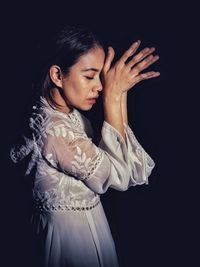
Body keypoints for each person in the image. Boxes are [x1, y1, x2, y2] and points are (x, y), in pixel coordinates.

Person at [10, 25, 160, 267]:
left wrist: (119, 94)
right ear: (58, 75)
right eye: (90, 76)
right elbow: (119, 177)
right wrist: (113, 97)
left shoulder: (69, 115)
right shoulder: (55, 131)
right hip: (70, 243)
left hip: (91, 230)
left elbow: (126, 168)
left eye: (101, 77)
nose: (99, 86)